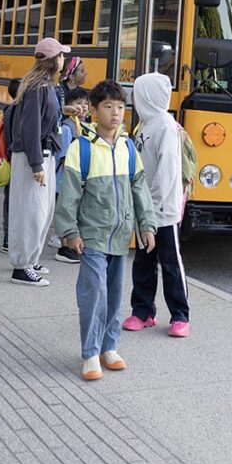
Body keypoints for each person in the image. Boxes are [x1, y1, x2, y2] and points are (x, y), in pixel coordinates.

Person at [55, 79, 156, 381]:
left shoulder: (127, 146)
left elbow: (139, 187)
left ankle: (109, 347)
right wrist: (70, 232)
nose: (115, 113)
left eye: (120, 107)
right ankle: (89, 353)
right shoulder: (80, 149)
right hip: (92, 237)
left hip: (121, 235)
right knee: (93, 295)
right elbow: (69, 194)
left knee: (114, 295)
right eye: (108, 107)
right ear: (94, 110)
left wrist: (146, 224)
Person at [124, 73, 191, 337]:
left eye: (139, 95)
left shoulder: (165, 126)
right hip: (145, 211)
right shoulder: (145, 124)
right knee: (143, 262)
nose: (135, 100)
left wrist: (150, 208)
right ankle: (142, 312)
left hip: (163, 212)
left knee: (171, 263)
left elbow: (167, 173)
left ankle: (180, 316)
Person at [8, 37, 70, 286]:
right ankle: (21, 267)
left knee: (42, 212)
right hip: (34, 157)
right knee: (31, 212)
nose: (64, 59)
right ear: (53, 60)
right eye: (62, 55)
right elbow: (31, 128)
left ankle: (30, 259)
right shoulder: (37, 88)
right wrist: (36, 165)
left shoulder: (43, 85)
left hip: (43, 155)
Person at [51, 87, 90, 264]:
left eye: (85, 103)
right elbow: (64, 156)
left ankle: (71, 245)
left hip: (78, 179)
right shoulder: (67, 128)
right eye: (78, 103)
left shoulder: (84, 127)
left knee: (75, 211)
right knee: (66, 211)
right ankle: (64, 246)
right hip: (64, 179)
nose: (83, 107)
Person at [0, 77, 22, 255]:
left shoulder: (9, 109)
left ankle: (8, 238)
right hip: (15, 161)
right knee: (14, 202)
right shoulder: (16, 110)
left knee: (11, 201)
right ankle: (9, 238)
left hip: (10, 159)